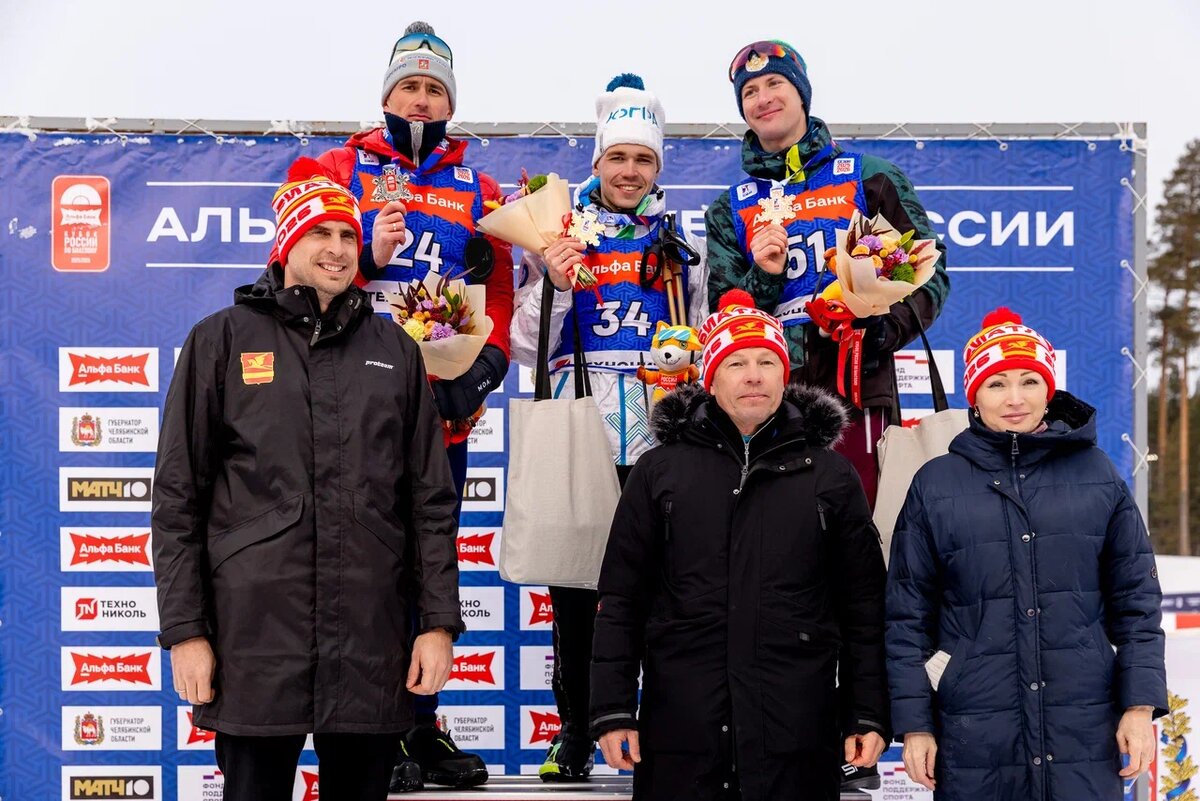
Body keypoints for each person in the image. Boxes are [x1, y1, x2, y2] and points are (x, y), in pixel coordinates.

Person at [152, 165, 463, 801]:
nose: (338, 250)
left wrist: (437, 625)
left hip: (370, 640)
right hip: (255, 639)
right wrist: (185, 632)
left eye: (349, 236)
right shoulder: (220, 340)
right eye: (320, 233)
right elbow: (178, 501)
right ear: (286, 244)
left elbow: (430, 502)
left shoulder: (395, 349)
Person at [306, 21, 513, 790]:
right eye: (410, 86)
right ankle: (375, 728)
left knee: (433, 562)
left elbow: (499, 290)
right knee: (362, 567)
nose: (422, 100)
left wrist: (483, 371)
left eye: (434, 89)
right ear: (387, 95)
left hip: (442, 407)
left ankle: (422, 723)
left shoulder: (480, 189)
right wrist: (368, 256)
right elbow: (294, 267)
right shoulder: (338, 167)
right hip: (352, 402)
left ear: (450, 103)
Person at [590, 292, 888, 800]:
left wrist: (866, 712)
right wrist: (613, 709)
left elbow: (864, 607)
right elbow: (621, 600)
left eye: (767, 362)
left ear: (784, 375)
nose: (754, 376)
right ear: (710, 379)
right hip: (683, 734)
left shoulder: (831, 476)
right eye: (736, 363)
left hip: (797, 735)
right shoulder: (658, 471)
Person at [508, 73, 708, 781]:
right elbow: (525, 345)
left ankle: (663, 727)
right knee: (575, 589)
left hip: (661, 429)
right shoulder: (554, 231)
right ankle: (577, 728)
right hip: (582, 424)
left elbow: (703, 329)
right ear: (596, 161)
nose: (629, 171)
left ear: (658, 167)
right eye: (617, 157)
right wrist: (556, 283)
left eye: (643, 159)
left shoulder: (681, 237)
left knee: (668, 588)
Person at [886, 308, 1168, 800]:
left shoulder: (1097, 474)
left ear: (1048, 389)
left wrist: (1140, 706)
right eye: (996, 384)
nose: (1015, 398)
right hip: (974, 731)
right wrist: (915, 725)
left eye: (1029, 381)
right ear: (974, 395)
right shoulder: (935, 484)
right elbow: (906, 616)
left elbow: (1137, 604)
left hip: (1084, 728)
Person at [705, 39, 950, 509]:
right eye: (750, 91)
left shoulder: (869, 176)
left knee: (859, 527)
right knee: (775, 531)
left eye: (775, 83)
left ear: (801, 93)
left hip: (857, 387)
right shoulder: (729, 207)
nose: (763, 98)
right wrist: (765, 275)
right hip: (767, 398)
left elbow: (929, 269)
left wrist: (880, 330)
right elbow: (723, 311)